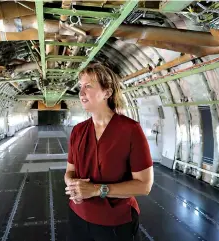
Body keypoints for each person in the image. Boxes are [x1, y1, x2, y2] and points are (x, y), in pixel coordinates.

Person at [64, 63, 154, 241]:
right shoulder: (78, 130)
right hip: (78, 215)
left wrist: (96, 190)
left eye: (88, 86)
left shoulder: (130, 130)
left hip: (115, 223)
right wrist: (74, 187)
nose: (81, 92)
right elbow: (69, 171)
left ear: (107, 92)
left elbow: (144, 186)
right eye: (80, 86)